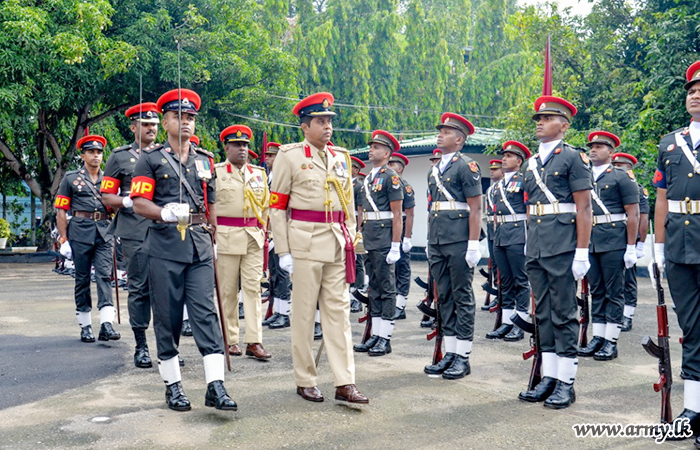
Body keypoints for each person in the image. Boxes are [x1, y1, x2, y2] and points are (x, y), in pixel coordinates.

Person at [131, 88, 236, 412]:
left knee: (206, 315)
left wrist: (214, 237)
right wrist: (163, 212)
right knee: (169, 317)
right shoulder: (150, 159)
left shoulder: (206, 159)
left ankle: (215, 385)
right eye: (179, 116)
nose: (186, 122)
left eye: (190, 117)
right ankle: (173, 385)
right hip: (164, 247)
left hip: (200, 246)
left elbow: (212, 203)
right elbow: (138, 203)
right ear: (165, 121)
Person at [269, 92, 368, 404]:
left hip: (337, 243)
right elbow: (277, 207)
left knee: (338, 315)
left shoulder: (341, 157)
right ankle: (305, 378)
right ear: (305, 126)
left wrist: (351, 234)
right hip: (305, 244)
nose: (328, 127)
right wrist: (283, 250)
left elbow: (348, 205)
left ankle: (344, 381)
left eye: (329, 121)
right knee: (303, 315)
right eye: (321, 121)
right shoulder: (290, 156)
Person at [518, 96, 592, 409]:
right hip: (536, 245)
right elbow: (529, 208)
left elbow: (584, 207)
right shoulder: (530, 163)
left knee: (564, 313)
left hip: (562, 245)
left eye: (547, 118)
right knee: (543, 314)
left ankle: (566, 381)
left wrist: (582, 251)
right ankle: (549, 376)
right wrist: (526, 241)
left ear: (563, 126)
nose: (539, 122)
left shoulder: (573, 158)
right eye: (538, 118)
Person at [651, 61, 700, 442]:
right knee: (692, 328)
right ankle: (695, 408)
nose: (695, 94)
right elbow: (662, 198)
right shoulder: (670, 143)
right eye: (691, 90)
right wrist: (657, 245)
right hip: (680, 248)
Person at [423, 113, 483, 380]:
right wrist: (429, 241)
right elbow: (432, 209)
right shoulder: (433, 169)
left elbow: (476, 208)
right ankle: (450, 352)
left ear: (459, 139)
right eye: (441, 131)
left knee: (461, 295)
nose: (440, 134)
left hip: (459, 240)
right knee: (443, 296)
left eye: (447, 132)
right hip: (438, 241)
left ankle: (463, 356)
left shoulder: (466, 166)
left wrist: (473, 244)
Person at [101, 102, 158, 368]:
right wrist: (125, 202)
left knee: (166, 290)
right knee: (138, 288)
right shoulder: (120, 157)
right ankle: (141, 345)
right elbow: (107, 194)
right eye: (146, 125)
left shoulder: (167, 154)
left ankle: (167, 347)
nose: (151, 129)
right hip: (135, 229)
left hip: (165, 230)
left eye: (155, 125)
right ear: (134, 127)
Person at [578, 132, 639, 361]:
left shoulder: (621, 176)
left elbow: (633, 213)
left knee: (614, 291)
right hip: (592, 239)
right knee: (597, 290)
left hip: (614, 238)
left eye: (600, 146)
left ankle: (611, 341)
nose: (593, 150)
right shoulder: (583, 176)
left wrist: (631, 247)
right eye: (591, 146)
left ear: (611, 152)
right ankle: (598, 336)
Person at [55, 135, 120, 343]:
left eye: (99, 152)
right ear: (83, 155)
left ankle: (106, 324)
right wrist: (63, 238)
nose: (96, 156)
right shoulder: (71, 178)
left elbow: (116, 206)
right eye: (91, 152)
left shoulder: (109, 179)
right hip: (80, 232)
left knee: (104, 275)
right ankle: (85, 325)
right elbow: (61, 210)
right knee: (82, 278)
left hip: (104, 231)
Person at [215, 124, 271, 361]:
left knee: (253, 289)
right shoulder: (216, 172)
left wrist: (266, 232)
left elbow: (266, 206)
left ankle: (254, 340)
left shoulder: (258, 173)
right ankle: (230, 339)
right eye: (237, 145)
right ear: (226, 147)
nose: (242, 149)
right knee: (227, 291)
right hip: (227, 235)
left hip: (253, 237)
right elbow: (211, 206)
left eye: (245, 145)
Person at [352, 131, 404, 356]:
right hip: (370, 236)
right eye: (371, 146)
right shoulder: (366, 181)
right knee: (373, 288)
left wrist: (395, 245)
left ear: (386, 153)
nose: (371, 149)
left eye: (376, 147)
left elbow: (398, 214)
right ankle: (375, 334)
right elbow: (361, 213)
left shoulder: (390, 176)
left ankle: (385, 337)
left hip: (384, 237)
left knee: (386, 288)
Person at [488, 141, 531, 342]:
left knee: (520, 280)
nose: (504, 159)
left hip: (518, 233)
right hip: (501, 234)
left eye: (509, 156)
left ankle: (520, 323)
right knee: (504, 281)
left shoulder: (524, 180)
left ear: (519, 161)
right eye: (503, 156)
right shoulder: (497, 186)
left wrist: (529, 239)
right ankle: (506, 322)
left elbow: (529, 210)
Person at [611, 152, 649, 332]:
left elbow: (643, 218)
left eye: (621, 166)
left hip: (628, 239)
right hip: (611, 239)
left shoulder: (637, 188)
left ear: (629, 169)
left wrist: (639, 244)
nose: (617, 169)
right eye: (615, 165)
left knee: (628, 279)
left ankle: (628, 315)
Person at [263, 142, 293, 329]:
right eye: (267, 156)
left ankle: (284, 313)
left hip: (281, 230)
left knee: (282, 274)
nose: (267, 159)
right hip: (270, 229)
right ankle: (277, 310)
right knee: (273, 272)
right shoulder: (269, 176)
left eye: (271, 156)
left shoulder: (282, 177)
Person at [387, 152, 415, 320]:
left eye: (393, 165)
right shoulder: (385, 184)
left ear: (400, 168)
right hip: (387, 227)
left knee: (402, 269)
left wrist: (407, 238)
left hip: (402, 226)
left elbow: (410, 215)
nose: (389, 167)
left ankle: (400, 305)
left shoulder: (405, 186)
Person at [482, 159, 503, 312]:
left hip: (500, 228)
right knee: (494, 263)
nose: (491, 171)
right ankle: (497, 292)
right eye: (491, 169)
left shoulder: (503, 188)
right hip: (490, 228)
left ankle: (502, 294)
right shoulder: (490, 189)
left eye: (495, 169)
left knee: (501, 265)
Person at [350, 156, 368, 313]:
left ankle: (358, 297)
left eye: (350, 167)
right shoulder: (345, 183)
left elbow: (361, 210)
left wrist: (359, 229)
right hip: (345, 223)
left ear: (356, 170)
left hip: (355, 223)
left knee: (358, 261)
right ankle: (350, 295)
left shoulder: (358, 186)